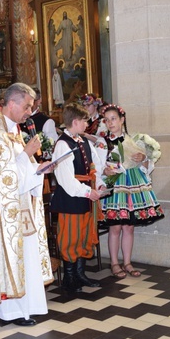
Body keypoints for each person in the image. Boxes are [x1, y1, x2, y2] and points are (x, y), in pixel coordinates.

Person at [0, 83, 54, 326]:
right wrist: (27, 154)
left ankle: (24, 307)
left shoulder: (13, 131)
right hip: (4, 212)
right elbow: (3, 179)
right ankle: (12, 311)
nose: (29, 111)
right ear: (12, 103)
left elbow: (19, 170)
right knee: (10, 255)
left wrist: (39, 169)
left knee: (24, 256)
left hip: (21, 206)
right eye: (27, 106)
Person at [100, 104, 165, 279]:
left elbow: (146, 167)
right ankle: (114, 263)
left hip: (133, 184)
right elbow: (97, 166)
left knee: (128, 227)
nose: (110, 123)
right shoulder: (102, 142)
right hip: (115, 184)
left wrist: (143, 158)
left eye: (113, 119)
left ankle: (127, 262)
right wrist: (104, 170)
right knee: (115, 227)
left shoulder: (134, 140)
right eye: (107, 120)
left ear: (122, 120)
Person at [50, 103, 105, 292]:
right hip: (71, 198)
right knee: (70, 237)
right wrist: (89, 192)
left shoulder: (84, 141)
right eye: (84, 121)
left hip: (86, 197)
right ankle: (70, 278)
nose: (87, 124)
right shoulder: (63, 144)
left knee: (83, 235)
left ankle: (80, 274)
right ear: (75, 121)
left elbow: (94, 167)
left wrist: (99, 185)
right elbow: (65, 179)